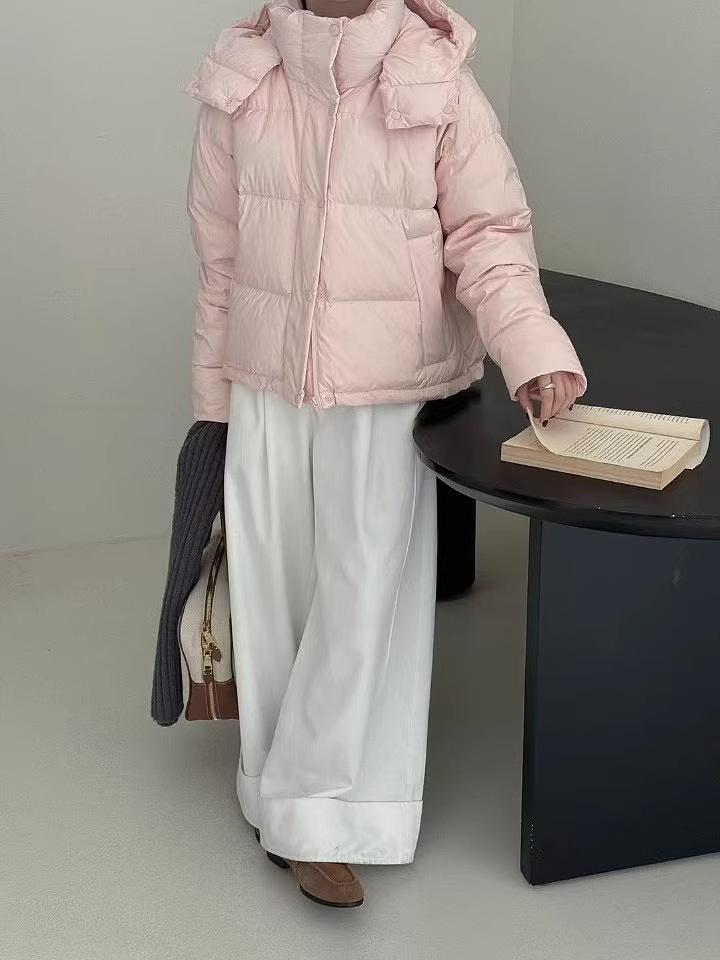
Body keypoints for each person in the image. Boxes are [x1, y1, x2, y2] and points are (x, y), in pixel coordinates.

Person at [185, 0, 586, 908]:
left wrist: (532, 349)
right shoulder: (241, 77)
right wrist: (212, 412)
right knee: (273, 597)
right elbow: (219, 262)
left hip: (386, 386)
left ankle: (323, 817)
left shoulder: (434, 76)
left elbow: (490, 234)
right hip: (264, 380)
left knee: (363, 599)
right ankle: (275, 790)